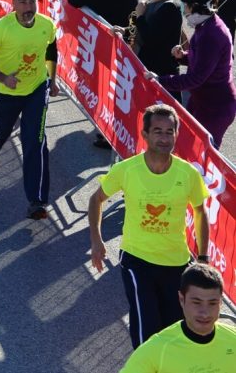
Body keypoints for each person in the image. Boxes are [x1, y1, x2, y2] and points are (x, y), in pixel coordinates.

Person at [88, 103, 211, 348]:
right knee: (146, 328)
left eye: (169, 132)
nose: (164, 138)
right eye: (157, 131)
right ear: (145, 135)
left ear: (176, 135)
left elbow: (200, 211)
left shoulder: (187, 173)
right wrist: (96, 240)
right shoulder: (127, 169)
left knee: (173, 330)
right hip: (137, 259)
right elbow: (96, 199)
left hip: (176, 262)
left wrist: (203, 256)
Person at [0, 0, 60, 219]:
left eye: (32, 1)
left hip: (36, 89)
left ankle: (37, 201)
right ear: (13, 5)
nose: (28, 7)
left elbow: (52, 49)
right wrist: (4, 78)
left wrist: (52, 79)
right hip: (6, 92)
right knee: (0, 131)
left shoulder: (46, 24)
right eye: (22, 2)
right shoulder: (2, 28)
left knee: (35, 141)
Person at [155, 0, 236, 146]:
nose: (184, 10)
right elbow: (206, 61)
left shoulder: (211, 34)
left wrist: (159, 81)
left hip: (215, 108)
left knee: (202, 158)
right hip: (202, 101)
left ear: (195, 6)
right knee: (184, 146)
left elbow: (195, 78)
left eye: (185, 5)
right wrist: (183, 56)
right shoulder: (207, 24)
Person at [121, 264, 236, 372]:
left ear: (221, 303)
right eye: (196, 302)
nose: (205, 313)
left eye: (212, 303)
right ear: (181, 299)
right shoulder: (155, 350)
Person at [132, 0, 184, 92]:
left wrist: (140, 16)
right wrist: (124, 30)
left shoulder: (170, 7)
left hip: (160, 75)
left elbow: (151, 39)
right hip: (146, 70)